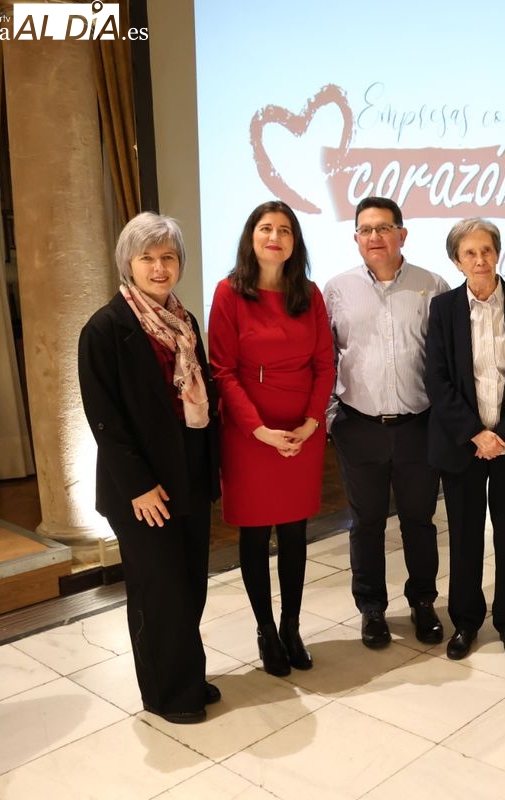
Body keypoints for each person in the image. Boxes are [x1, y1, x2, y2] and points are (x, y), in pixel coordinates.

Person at [78, 212, 221, 724]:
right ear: (128, 264)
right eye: (148, 258)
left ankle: (186, 674)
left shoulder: (185, 323)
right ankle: (167, 695)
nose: (159, 268)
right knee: (158, 590)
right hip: (140, 490)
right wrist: (139, 485)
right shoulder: (105, 328)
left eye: (168, 257)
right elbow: (105, 421)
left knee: (191, 585)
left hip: (189, 476)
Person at [208, 200, 335, 676]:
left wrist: (311, 421)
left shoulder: (310, 294)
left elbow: (325, 364)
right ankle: (266, 630)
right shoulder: (229, 293)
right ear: (251, 237)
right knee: (256, 533)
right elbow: (222, 369)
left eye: (285, 229)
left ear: (294, 242)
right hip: (249, 434)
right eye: (266, 228)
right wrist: (258, 429)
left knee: (297, 533)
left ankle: (292, 628)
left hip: (302, 432)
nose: (275, 237)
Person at [324, 196, 450, 649]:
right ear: (356, 237)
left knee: (420, 520)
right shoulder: (336, 289)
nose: (374, 237)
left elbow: (447, 357)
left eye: (383, 228)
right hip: (359, 426)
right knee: (367, 523)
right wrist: (330, 418)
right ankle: (372, 609)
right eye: (365, 230)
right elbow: (325, 359)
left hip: (419, 425)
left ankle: (422, 603)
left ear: (403, 234)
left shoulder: (432, 285)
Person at [425, 218, 505, 663]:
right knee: (465, 536)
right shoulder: (442, 309)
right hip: (463, 444)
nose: (480, 260)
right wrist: (476, 434)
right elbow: (436, 380)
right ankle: (466, 622)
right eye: (469, 253)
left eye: (486, 251)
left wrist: (503, 434)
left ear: (498, 254)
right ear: (456, 261)